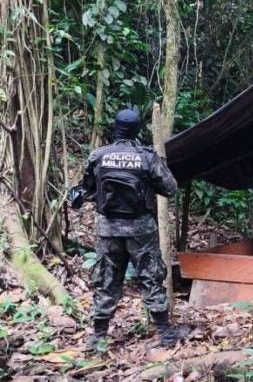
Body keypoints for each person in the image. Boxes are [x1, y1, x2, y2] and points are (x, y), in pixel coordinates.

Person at [74, 108, 180, 351]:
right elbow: (170, 188)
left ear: (115, 128)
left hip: (108, 229)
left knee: (106, 281)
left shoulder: (98, 156)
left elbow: (87, 191)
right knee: (150, 278)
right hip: (141, 230)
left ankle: (98, 337)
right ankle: (165, 335)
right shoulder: (147, 157)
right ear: (137, 130)